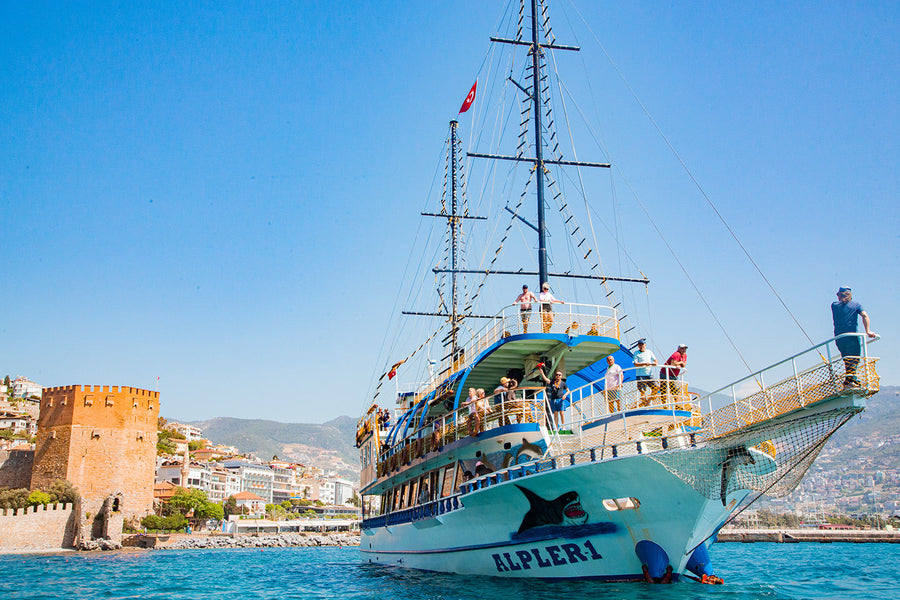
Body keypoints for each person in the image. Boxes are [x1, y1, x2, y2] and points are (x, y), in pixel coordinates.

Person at [831, 287, 877, 386]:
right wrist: (868, 331)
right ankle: (852, 379)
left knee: (847, 359)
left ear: (840, 295)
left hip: (839, 338)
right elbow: (864, 315)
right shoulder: (856, 305)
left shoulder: (834, 305)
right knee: (854, 359)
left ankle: (849, 380)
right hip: (852, 337)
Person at [633, 339, 658, 406]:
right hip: (640, 374)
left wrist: (655, 363)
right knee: (642, 390)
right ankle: (645, 404)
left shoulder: (649, 352)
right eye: (640, 345)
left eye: (642, 344)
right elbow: (635, 364)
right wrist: (644, 364)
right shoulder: (636, 353)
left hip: (649, 374)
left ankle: (648, 401)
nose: (641, 346)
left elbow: (655, 360)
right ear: (638, 346)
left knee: (656, 387)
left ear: (645, 345)